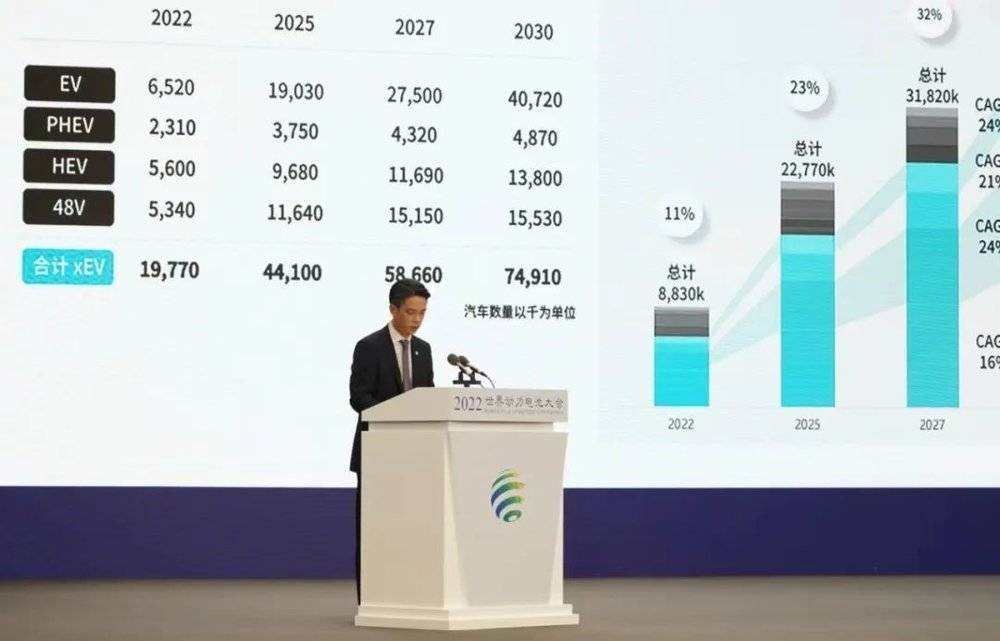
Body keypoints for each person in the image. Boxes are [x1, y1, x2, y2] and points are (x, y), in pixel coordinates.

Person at [348, 278, 434, 604]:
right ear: (393, 309)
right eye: (411, 312)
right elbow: (359, 398)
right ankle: (372, 599)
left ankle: (409, 595)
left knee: (411, 528)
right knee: (375, 530)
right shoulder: (369, 347)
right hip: (377, 453)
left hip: (416, 456)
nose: (416, 320)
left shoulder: (423, 350)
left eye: (422, 313)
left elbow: (427, 398)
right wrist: (395, 415)